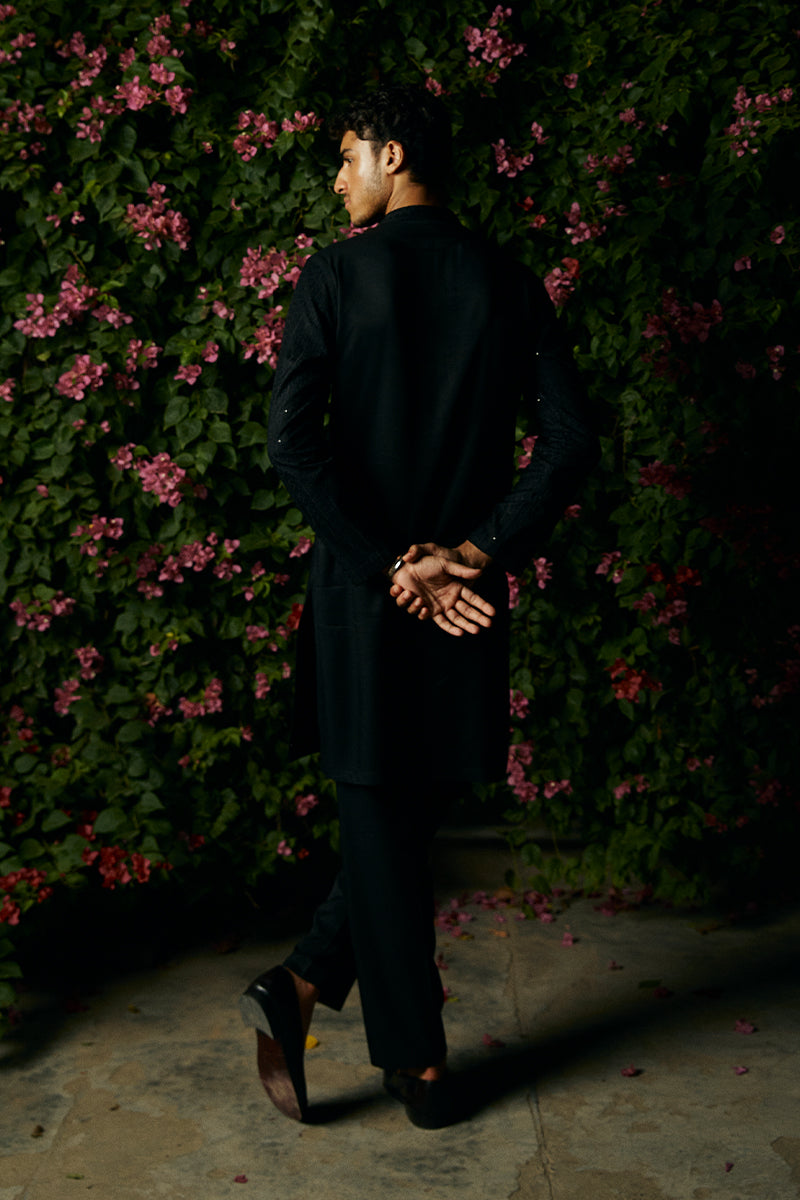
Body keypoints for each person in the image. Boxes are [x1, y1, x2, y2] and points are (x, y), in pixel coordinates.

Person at [239, 84, 599, 1129]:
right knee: (396, 809)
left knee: (387, 812)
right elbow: (570, 442)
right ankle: (400, 1048)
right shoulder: (508, 280)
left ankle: (323, 995)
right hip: (460, 594)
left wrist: (396, 562)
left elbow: (291, 446)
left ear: (392, 157)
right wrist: (468, 554)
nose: (337, 179)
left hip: (371, 593)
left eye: (346, 156)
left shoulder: (332, 275)